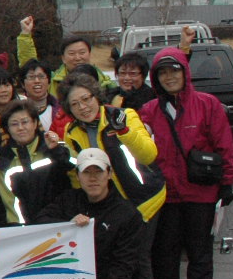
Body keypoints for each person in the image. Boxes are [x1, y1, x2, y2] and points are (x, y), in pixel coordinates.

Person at [138, 47, 233, 279]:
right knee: (164, 251)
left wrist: (227, 182)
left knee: (199, 251)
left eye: (174, 70)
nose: (169, 77)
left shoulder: (207, 104)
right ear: (156, 78)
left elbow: (224, 145)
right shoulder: (149, 110)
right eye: (163, 72)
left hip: (200, 192)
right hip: (165, 195)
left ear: (185, 72)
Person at [26, 148, 151, 279]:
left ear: (109, 174)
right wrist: (68, 224)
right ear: (78, 176)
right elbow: (40, 222)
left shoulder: (127, 214)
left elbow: (123, 265)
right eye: (86, 172)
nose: (93, 178)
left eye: (98, 172)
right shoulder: (69, 199)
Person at [58, 74, 165, 222]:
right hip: (113, 208)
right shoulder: (71, 132)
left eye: (86, 99)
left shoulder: (124, 115)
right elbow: (77, 173)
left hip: (146, 200)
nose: (82, 107)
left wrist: (124, 131)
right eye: (74, 104)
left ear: (96, 96)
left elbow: (148, 155)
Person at [0, 101, 73, 225]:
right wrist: (19, 226)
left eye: (25, 122)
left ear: (35, 123)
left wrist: (57, 150)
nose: (20, 128)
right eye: (14, 124)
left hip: (63, 221)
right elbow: (9, 200)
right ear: (7, 129)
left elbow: (76, 167)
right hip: (28, 228)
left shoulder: (53, 143)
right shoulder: (3, 159)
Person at [17, 15, 115, 97]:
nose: (77, 58)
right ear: (63, 58)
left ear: (89, 54)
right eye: (72, 53)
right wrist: (25, 35)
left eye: (82, 53)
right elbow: (30, 65)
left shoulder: (106, 83)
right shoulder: (51, 81)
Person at [18, 58, 64, 132]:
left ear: (49, 82)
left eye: (41, 76)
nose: (37, 81)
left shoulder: (61, 109)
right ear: (23, 84)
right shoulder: (16, 108)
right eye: (31, 77)